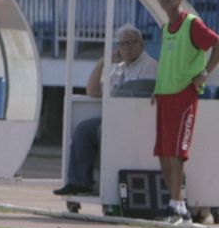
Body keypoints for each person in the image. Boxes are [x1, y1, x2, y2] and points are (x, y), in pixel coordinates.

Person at [52, 24, 159, 197]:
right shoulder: (119, 68)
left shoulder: (150, 66)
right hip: (115, 119)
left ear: (141, 44)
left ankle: (107, 184)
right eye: (123, 43)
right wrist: (103, 62)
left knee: (105, 131)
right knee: (84, 129)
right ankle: (80, 182)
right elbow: (93, 91)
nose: (127, 47)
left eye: (132, 42)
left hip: (135, 122)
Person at [152, 0, 219, 224]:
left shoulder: (191, 24)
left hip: (183, 95)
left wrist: (204, 73)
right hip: (165, 95)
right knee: (163, 154)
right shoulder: (166, 28)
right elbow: (168, 63)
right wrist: (157, 87)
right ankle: (179, 206)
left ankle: (176, 207)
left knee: (177, 154)